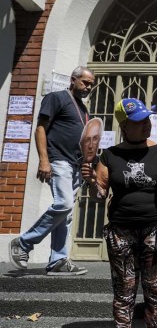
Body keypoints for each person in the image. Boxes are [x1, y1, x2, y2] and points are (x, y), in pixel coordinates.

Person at [82, 98, 157, 328]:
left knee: (155, 290)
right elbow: (101, 195)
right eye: (139, 122)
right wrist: (92, 182)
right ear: (125, 125)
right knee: (123, 291)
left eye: (148, 119)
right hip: (121, 231)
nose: (147, 125)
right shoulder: (109, 155)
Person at [8, 66, 95, 276]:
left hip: (74, 166)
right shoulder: (56, 98)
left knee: (65, 215)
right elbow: (40, 128)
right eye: (85, 82)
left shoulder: (83, 110)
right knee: (63, 204)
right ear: (73, 80)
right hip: (58, 161)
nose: (88, 87)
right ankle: (23, 243)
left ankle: (58, 260)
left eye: (91, 84)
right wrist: (44, 160)